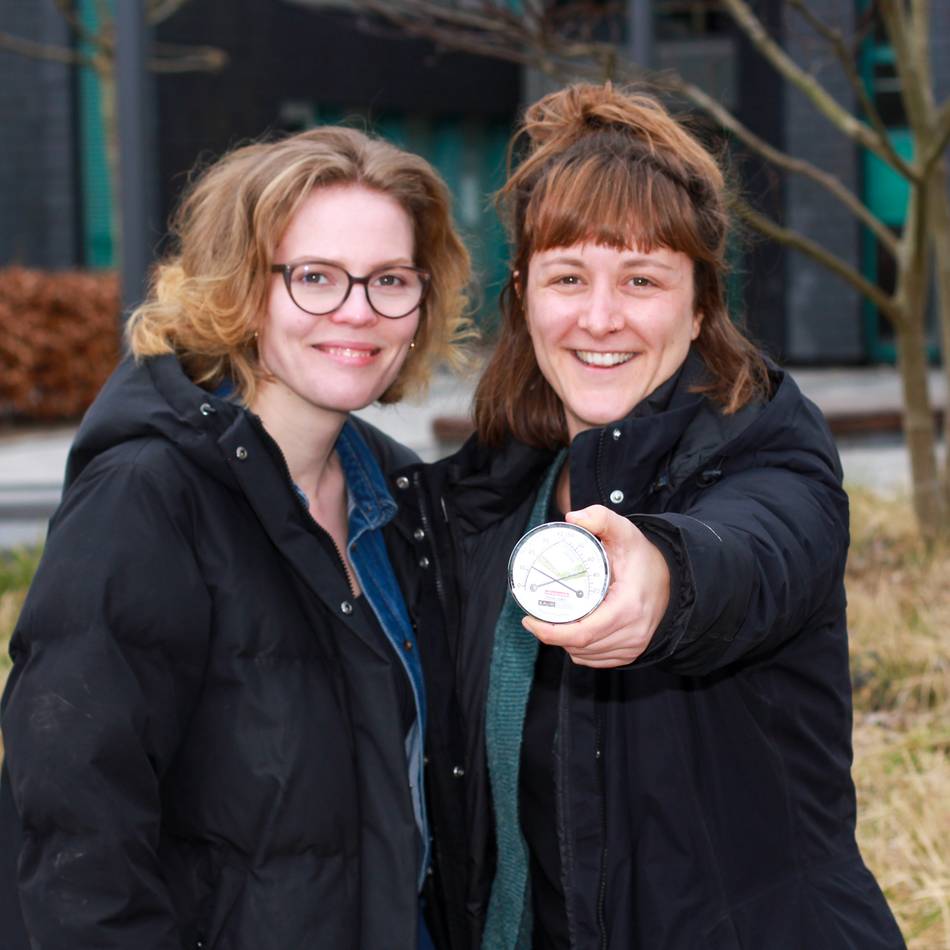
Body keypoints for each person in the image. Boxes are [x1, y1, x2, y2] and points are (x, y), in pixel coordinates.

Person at [410, 83, 905, 948]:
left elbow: (753, 555)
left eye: (641, 278)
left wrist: (662, 577)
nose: (601, 318)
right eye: (569, 277)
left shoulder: (771, 452)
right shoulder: (487, 496)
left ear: (702, 303)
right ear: (524, 293)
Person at [0, 125, 469, 949]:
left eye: (390, 279)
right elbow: (76, 842)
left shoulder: (394, 498)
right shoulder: (147, 500)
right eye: (315, 277)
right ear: (243, 288)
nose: (357, 311)